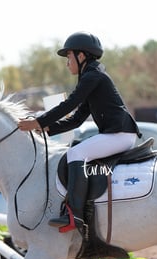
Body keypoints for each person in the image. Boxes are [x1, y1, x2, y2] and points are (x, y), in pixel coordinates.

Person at [17, 31, 141, 234]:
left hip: (120, 134)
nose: (67, 63)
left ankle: (74, 214)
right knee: (76, 149)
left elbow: (69, 104)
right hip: (116, 133)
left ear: (81, 56)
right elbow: (76, 118)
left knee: (75, 153)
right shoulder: (91, 76)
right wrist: (48, 128)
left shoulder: (93, 75)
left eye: (68, 57)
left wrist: (38, 122)